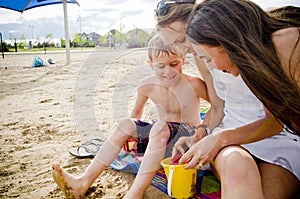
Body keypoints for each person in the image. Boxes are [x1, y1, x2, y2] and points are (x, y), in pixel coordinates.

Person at [154, 0, 300, 198]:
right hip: (231, 133)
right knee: (237, 167)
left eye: (181, 40)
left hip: (274, 135)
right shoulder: (209, 57)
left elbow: (276, 120)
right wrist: (202, 132)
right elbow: (218, 105)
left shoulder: (270, 49)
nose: (183, 52)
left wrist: (219, 137)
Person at [51, 34, 209, 199]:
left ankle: (135, 194)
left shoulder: (194, 84)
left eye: (174, 64)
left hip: (186, 141)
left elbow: (217, 108)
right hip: (161, 139)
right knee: (126, 124)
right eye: (161, 66)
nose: (168, 71)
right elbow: (136, 117)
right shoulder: (146, 85)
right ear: (151, 64)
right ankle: (82, 182)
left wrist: (203, 132)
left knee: (160, 127)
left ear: (183, 60)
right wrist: (127, 136)